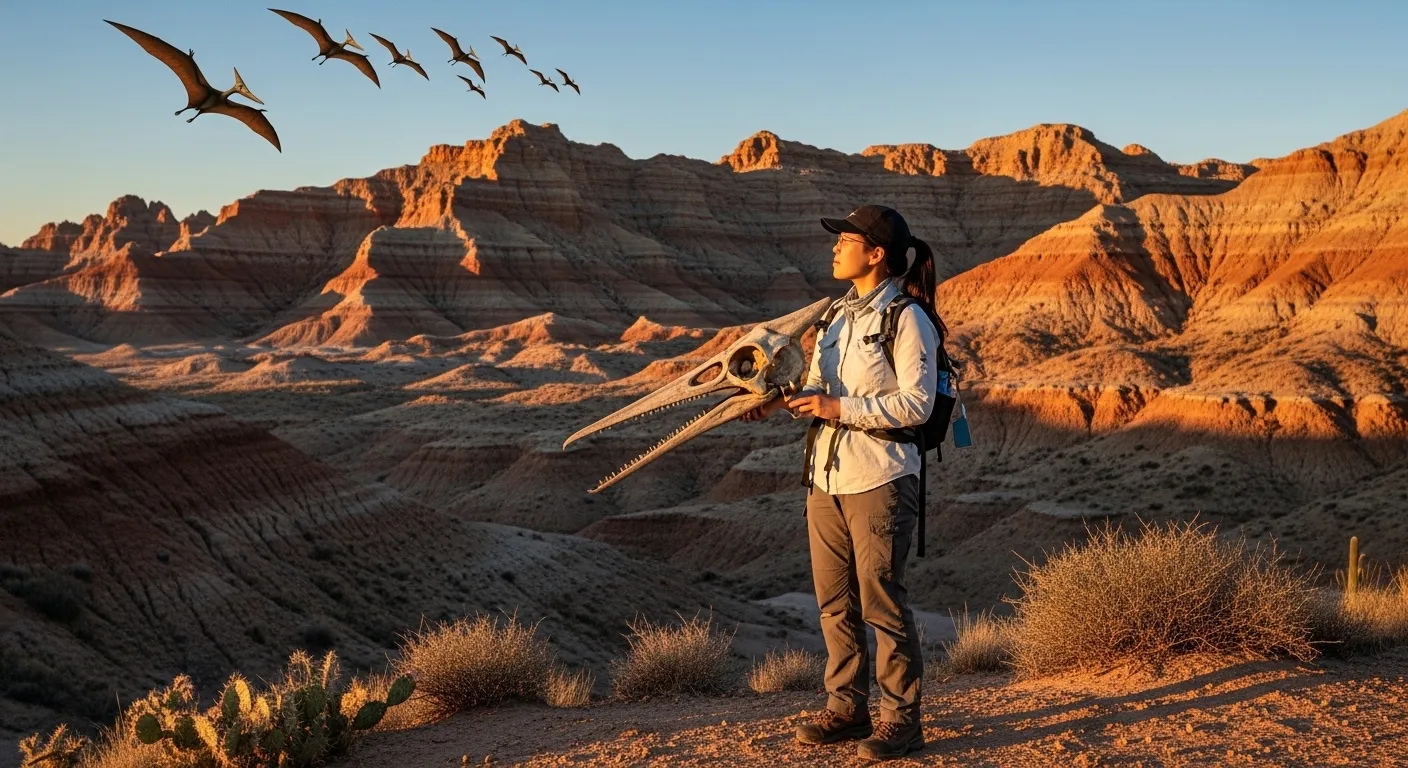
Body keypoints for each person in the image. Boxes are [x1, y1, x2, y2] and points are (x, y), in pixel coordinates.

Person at [740, 204, 946, 761]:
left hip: (879, 477)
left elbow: (918, 404)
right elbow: (814, 390)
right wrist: (777, 402)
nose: (835, 248)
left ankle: (902, 721)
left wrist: (837, 405)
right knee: (834, 603)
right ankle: (847, 710)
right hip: (825, 477)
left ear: (876, 253)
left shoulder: (907, 319)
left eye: (846, 240)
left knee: (882, 604)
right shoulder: (833, 317)